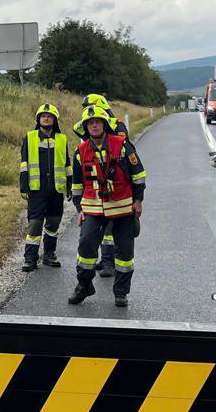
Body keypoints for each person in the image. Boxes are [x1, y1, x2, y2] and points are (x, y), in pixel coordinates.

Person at [68, 104, 146, 308]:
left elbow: (138, 175)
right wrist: (80, 210)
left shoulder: (123, 145)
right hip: (93, 209)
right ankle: (84, 286)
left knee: (125, 253)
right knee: (85, 245)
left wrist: (138, 200)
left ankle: (121, 292)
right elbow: (77, 185)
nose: (94, 126)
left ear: (104, 124)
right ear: (86, 127)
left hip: (123, 208)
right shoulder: (80, 152)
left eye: (97, 122)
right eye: (90, 123)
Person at [71, 94, 127, 275]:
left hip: (114, 186)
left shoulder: (117, 125)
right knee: (94, 232)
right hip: (94, 186)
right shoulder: (90, 125)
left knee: (110, 230)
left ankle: (108, 262)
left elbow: (122, 149)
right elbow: (79, 135)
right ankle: (102, 262)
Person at [18, 102, 71, 271]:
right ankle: (30, 259)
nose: (46, 118)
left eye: (49, 116)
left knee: (53, 223)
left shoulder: (62, 139)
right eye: (43, 116)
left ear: (55, 120)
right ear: (38, 119)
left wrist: (70, 185)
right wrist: (23, 185)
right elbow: (24, 164)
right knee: (35, 224)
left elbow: (67, 164)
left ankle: (49, 254)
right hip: (37, 189)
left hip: (56, 189)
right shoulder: (30, 137)